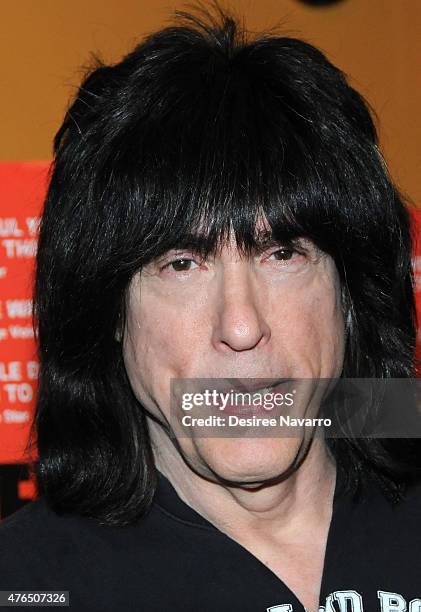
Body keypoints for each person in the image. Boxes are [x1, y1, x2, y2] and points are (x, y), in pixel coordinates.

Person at [1, 6, 420, 612]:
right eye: (182, 264)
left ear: (349, 290)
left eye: (282, 253)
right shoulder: (30, 585)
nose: (242, 326)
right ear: (110, 311)